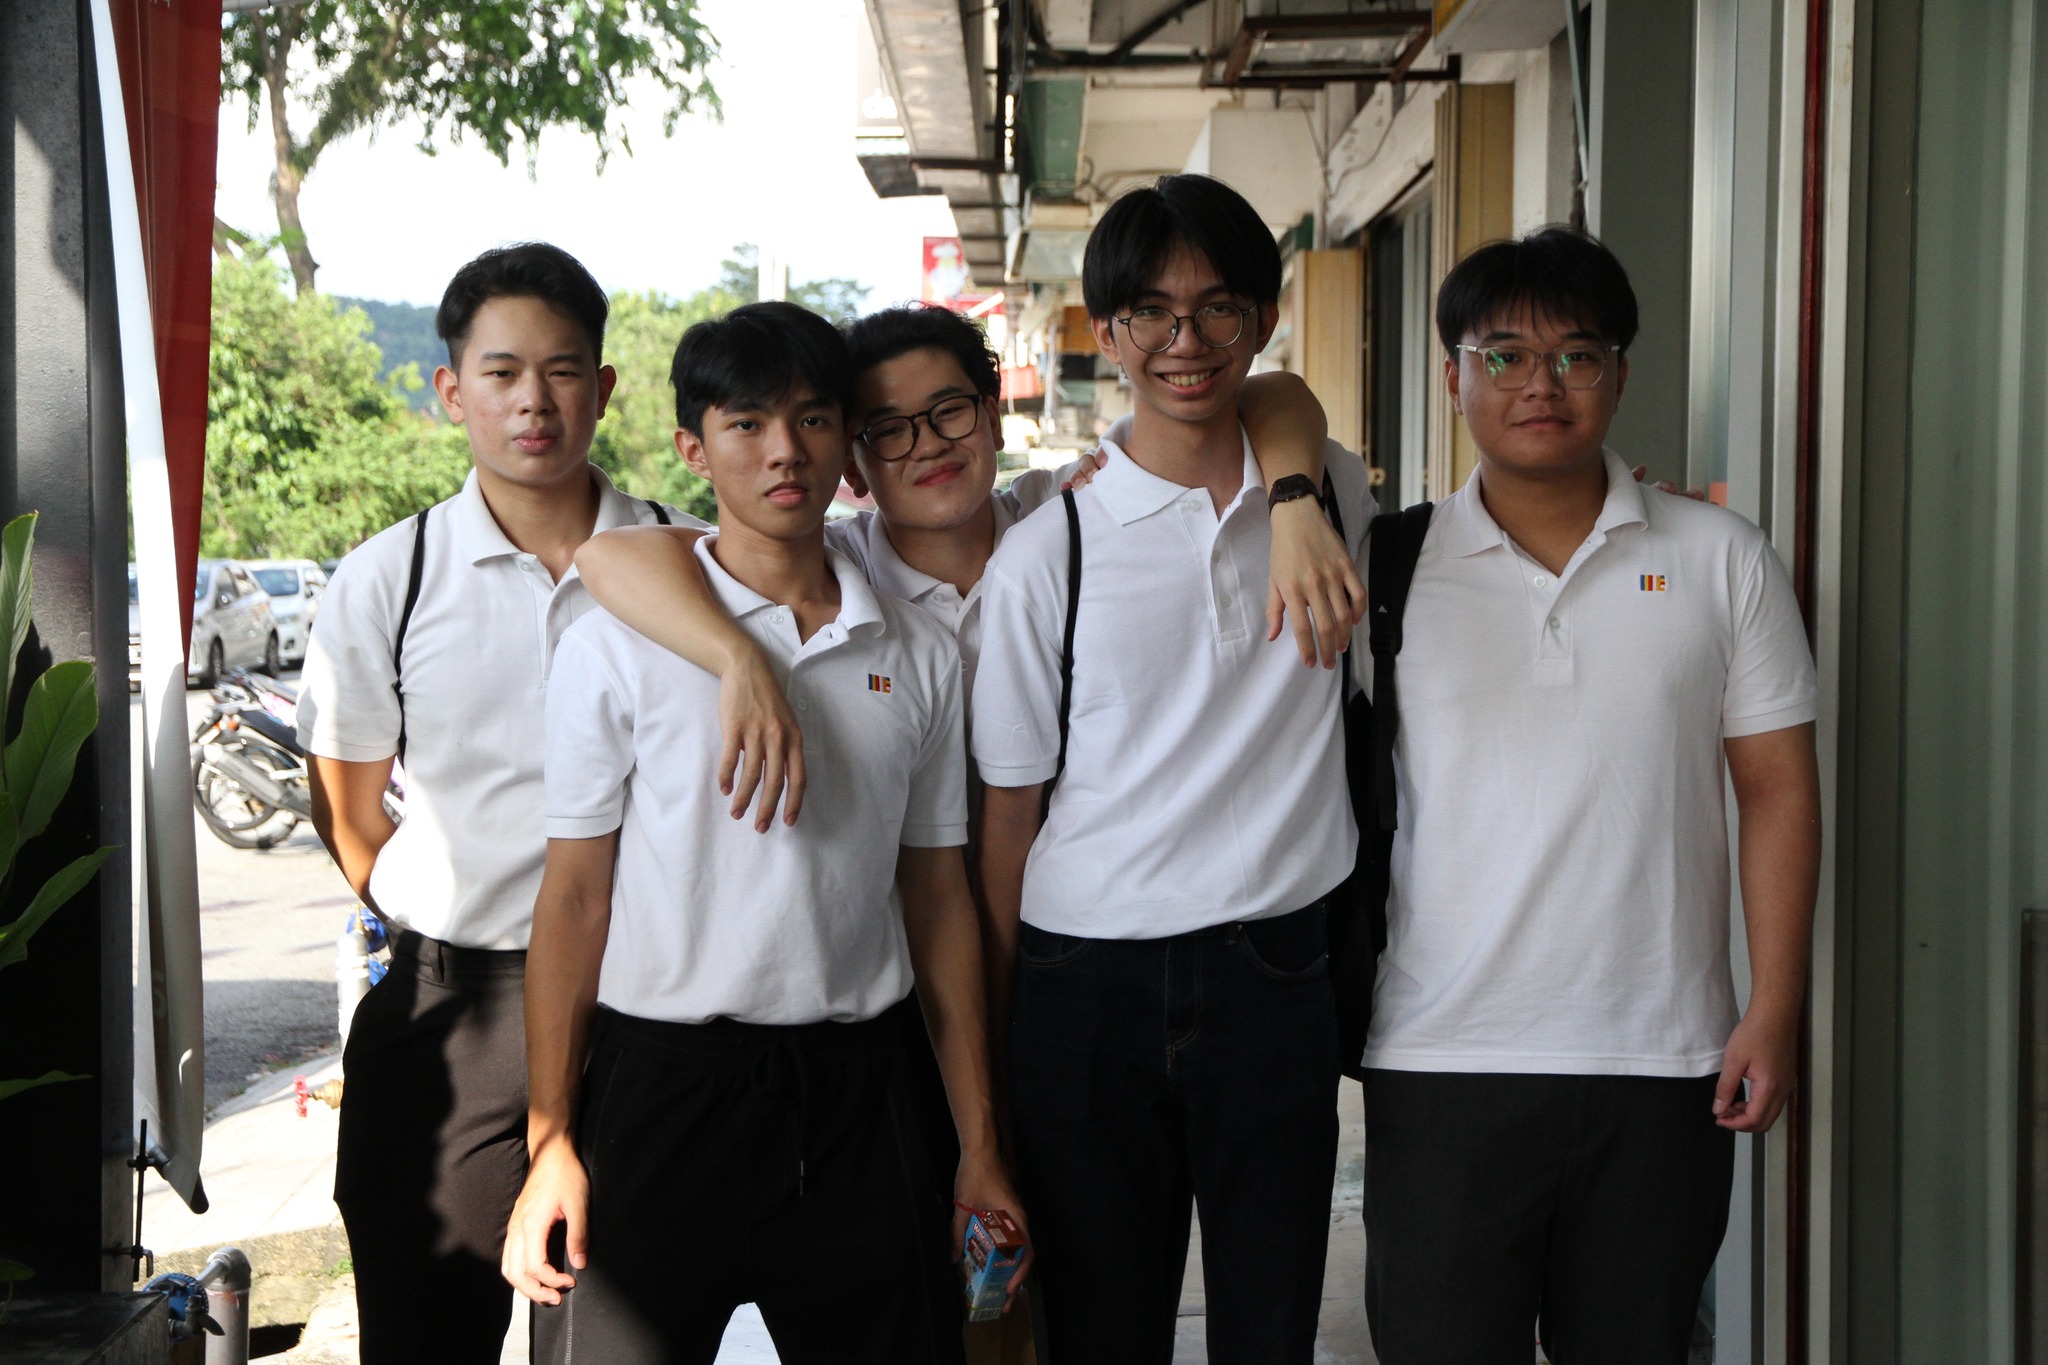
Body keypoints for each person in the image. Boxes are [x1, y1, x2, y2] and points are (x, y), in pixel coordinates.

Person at [501, 301, 1021, 1364]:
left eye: (813, 419)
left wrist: (978, 1142)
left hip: (861, 1093)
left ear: (846, 444)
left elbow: (935, 902)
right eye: (745, 423)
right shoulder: (614, 647)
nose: (785, 450)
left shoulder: (916, 651)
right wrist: (550, 1138)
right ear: (693, 448)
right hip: (659, 1090)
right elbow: (575, 898)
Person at [1358, 227, 1821, 1365]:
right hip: (1442, 1054)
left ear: (1618, 373)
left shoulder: (1720, 556)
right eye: (1505, 356)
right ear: (1454, 376)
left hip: (1661, 1058)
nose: (1542, 384)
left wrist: (1771, 1006)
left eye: (1576, 355)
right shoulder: (1384, 568)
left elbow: (1775, 790)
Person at [969, 173, 1375, 1365]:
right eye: (1148, 312)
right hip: (1081, 978)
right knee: (1103, 1331)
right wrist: (1000, 1026)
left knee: (1269, 1325)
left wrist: (1290, 499)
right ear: (1106, 332)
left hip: (1273, 966)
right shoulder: (1050, 547)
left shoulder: (1329, 491)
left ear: (1263, 318)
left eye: (1216, 309)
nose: (1183, 341)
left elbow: (1289, 407)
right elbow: (1009, 813)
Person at [296, 242, 706, 1364]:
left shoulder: (687, 559)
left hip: (644, 1014)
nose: (534, 400)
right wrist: (451, 915)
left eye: (563, 370)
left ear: (603, 388)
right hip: (454, 1018)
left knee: (626, 1341)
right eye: (502, 372)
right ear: (450, 390)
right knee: (425, 1337)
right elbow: (348, 811)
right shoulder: (390, 577)